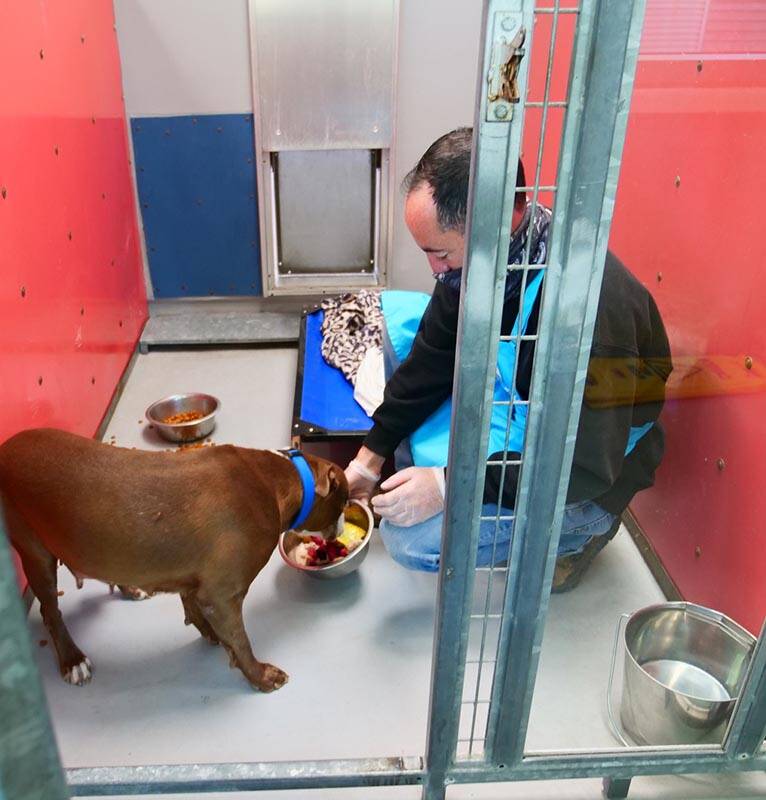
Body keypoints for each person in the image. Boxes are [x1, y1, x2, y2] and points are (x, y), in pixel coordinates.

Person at [344, 127, 671, 591]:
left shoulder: (592, 315)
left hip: (586, 470)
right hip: (521, 406)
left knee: (411, 540)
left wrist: (449, 484)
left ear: (495, 226)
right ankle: (414, 481)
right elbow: (432, 356)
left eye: (440, 253)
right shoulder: (483, 261)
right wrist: (369, 458)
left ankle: (579, 536)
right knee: (399, 344)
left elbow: (581, 466)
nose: (435, 270)